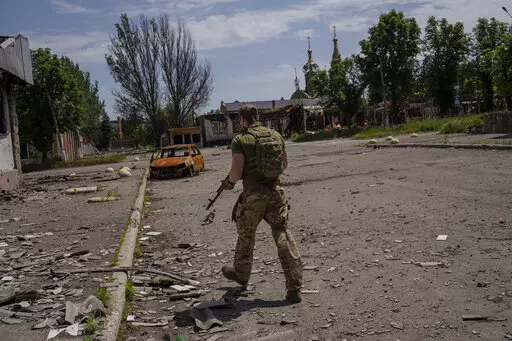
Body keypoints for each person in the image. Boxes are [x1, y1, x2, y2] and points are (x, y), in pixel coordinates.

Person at [220, 104, 303, 304]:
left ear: (241, 119)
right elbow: (284, 165)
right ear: (257, 117)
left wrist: (229, 183)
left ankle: (242, 274)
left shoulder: (240, 139)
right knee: (282, 233)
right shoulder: (275, 135)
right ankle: (294, 287)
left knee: (246, 234)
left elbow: (236, 172)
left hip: (254, 197)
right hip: (275, 193)